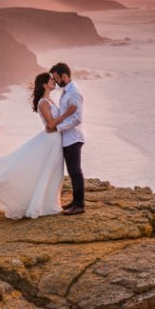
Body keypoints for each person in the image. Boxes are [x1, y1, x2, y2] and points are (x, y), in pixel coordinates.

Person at [0, 72, 75, 218]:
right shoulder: (43, 103)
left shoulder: (50, 101)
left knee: (54, 172)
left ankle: (50, 203)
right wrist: (68, 113)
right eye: (50, 80)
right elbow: (51, 125)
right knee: (49, 171)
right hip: (51, 141)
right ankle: (43, 205)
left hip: (55, 140)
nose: (53, 82)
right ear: (44, 85)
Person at [47, 62, 85, 215]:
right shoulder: (66, 91)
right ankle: (75, 202)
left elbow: (77, 119)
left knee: (75, 171)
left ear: (64, 76)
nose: (56, 82)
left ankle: (80, 205)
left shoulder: (74, 92)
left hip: (73, 138)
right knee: (71, 170)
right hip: (67, 138)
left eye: (57, 79)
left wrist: (57, 128)